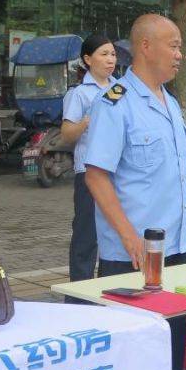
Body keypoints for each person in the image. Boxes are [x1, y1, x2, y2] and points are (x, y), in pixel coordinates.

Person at [83, 15, 186, 370]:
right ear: (145, 46)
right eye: (173, 46)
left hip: (173, 245)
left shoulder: (169, 103)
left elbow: (171, 173)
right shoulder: (115, 103)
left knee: (173, 334)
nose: (180, 55)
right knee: (132, 343)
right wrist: (126, 234)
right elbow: (96, 175)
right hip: (133, 254)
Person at [60, 35, 117, 301]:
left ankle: (111, 292)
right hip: (89, 174)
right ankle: (78, 298)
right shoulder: (79, 93)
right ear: (87, 59)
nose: (110, 60)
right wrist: (88, 120)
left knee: (114, 234)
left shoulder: (119, 89)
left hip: (118, 173)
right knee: (87, 236)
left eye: (113, 55)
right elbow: (67, 134)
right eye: (104, 54)